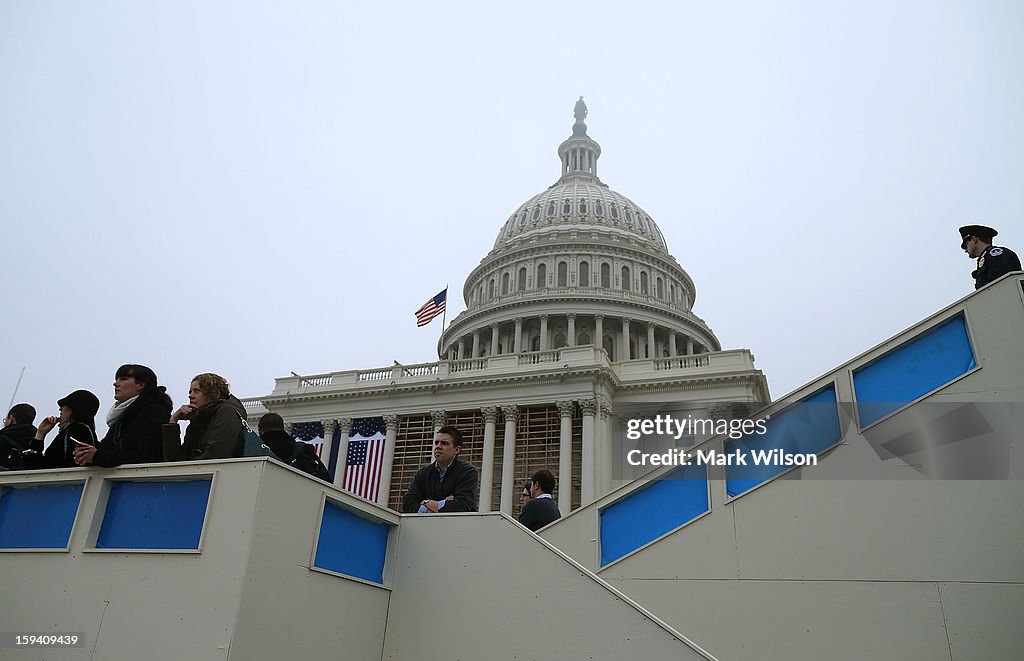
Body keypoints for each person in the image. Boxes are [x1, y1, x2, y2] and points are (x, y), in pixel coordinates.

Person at [73, 364, 173, 468]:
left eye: (123, 379)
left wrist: (97, 456)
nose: (115, 384)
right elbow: (108, 451)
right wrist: (86, 454)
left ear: (141, 385)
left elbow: (147, 456)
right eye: (117, 379)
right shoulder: (123, 415)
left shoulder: (154, 411)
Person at [162, 373, 246, 461]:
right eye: (190, 392)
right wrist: (173, 421)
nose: (190, 395)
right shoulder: (197, 419)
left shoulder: (227, 412)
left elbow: (216, 456)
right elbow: (174, 460)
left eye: (197, 391)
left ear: (213, 393)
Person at [401, 426, 478, 513]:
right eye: (436, 443)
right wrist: (441, 504)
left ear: (456, 450)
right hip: (426, 525)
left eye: (444, 443)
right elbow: (407, 505)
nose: (438, 446)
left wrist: (424, 502)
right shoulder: (423, 473)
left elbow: (461, 506)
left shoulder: (468, 472)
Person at [34, 390, 100, 468]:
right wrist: (40, 433)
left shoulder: (77, 430)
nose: (60, 409)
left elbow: (69, 463)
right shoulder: (79, 430)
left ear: (74, 409)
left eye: (65, 405)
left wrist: (39, 436)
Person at [960, 225, 1021, 290]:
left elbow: (999, 287)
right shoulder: (986, 258)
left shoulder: (998, 255)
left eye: (966, 245)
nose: (966, 250)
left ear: (974, 239)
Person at [0, 403, 37, 468]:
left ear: (11, 418)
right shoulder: (36, 441)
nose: (5, 423)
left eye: (6, 420)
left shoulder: (2, 439)